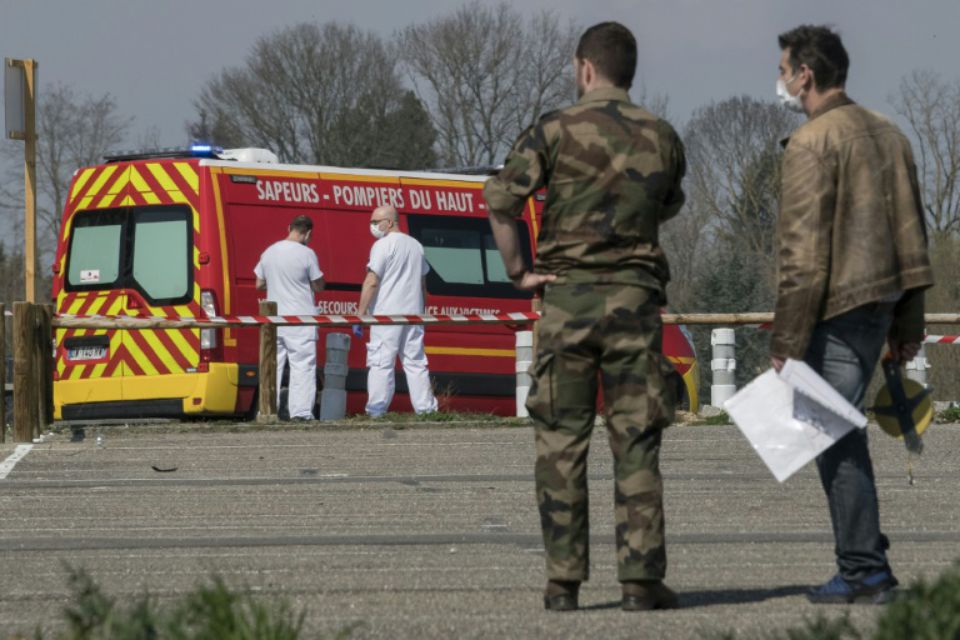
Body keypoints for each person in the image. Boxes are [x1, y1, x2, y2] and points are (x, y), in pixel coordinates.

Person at [484, 22, 685, 612]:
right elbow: (668, 203)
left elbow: (500, 201)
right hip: (634, 303)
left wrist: (519, 272)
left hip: (566, 302)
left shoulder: (551, 130)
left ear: (586, 68)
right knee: (637, 439)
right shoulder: (661, 135)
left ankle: (563, 582)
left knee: (561, 440)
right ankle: (640, 581)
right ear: (628, 70)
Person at [771, 25, 934, 604]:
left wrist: (785, 341)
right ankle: (866, 555)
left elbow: (802, 256)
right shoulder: (890, 134)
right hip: (882, 304)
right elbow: (913, 239)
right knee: (841, 436)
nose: (780, 80)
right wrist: (908, 326)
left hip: (835, 310)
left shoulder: (811, 143)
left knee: (835, 439)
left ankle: (865, 569)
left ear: (805, 75)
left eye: (784, 69)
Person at [358, 205, 438, 417]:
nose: (372, 226)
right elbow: (423, 285)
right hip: (413, 315)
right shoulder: (416, 246)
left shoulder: (382, 245)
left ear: (389, 222)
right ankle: (426, 411)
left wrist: (360, 313)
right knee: (416, 363)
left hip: (386, 315)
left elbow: (372, 281)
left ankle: (376, 411)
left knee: (381, 362)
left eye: (376, 222)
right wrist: (422, 313)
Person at [255, 215, 325, 421]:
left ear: (289, 228)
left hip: (275, 320)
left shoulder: (269, 251)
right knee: (302, 366)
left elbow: (259, 284)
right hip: (300, 320)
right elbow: (318, 285)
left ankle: (267, 410)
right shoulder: (307, 254)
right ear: (308, 233)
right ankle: (301, 413)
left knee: (272, 366)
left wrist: (278, 283)